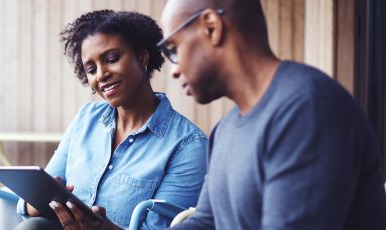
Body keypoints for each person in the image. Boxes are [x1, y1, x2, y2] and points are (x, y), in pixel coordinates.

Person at [155, 0, 386, 229]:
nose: (173, 70)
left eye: (173, 50)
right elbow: (206, 223)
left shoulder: (307, 111)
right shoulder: (224, 130)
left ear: (212, 27)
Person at [15, 10, 207, 230]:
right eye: (91, 69)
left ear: (142, 56)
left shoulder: (188, 145)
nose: (101, 75)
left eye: (112, 59)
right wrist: (37, 203)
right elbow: (34, 201)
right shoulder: (85, 120)